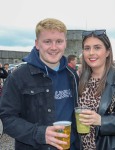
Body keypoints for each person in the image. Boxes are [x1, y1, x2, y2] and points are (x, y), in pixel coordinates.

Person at [0, 18, 79, 150]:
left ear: (65, 43)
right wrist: (40, 133)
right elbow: (7, 118)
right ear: (37, 44)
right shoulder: (18, 77)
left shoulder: (72, 75)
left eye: (59, 41)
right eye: (47, 41)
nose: (54, 47)